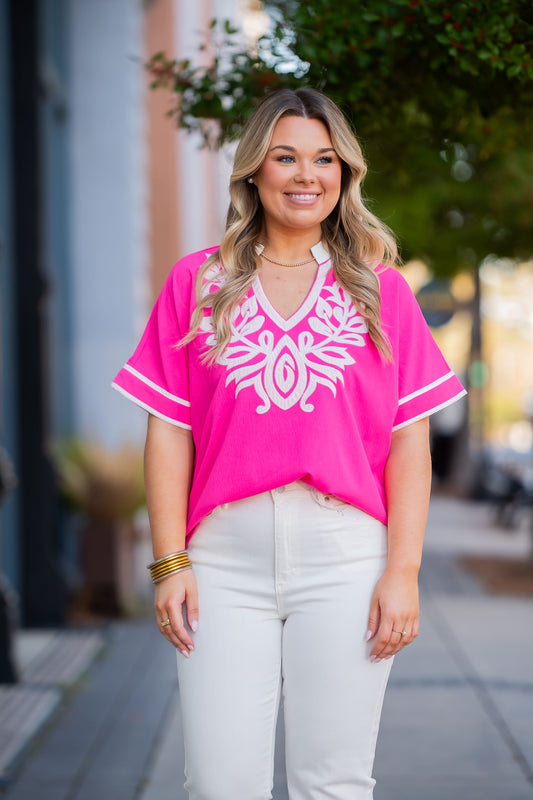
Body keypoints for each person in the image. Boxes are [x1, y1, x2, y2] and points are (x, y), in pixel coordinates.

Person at [113, 88, 466, 799]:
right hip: (220, 561)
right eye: (286, 157)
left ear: (343, 174)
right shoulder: (198, 284)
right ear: (253, 172)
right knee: (218, 784)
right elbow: (168, 434)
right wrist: (169, 563)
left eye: (323, 159)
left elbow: (409, 448)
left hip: (344, 560)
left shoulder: (381, 292)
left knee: (330, 783)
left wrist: (403, 571)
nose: (306, 175)